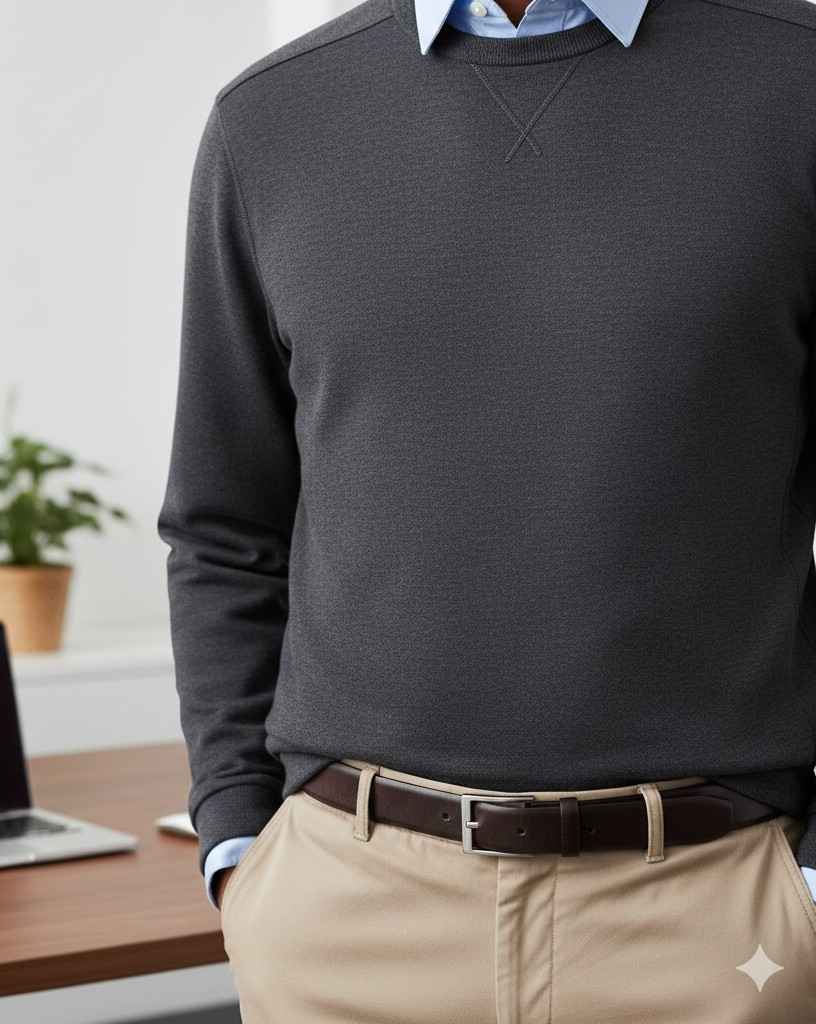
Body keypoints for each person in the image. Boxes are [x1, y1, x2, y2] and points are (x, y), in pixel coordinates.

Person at [157, 0, 816, 1019]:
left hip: (719, 920)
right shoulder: (273, 118)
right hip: (345, 917)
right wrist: (238, 837)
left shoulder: (797, 82)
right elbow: (223, 524)